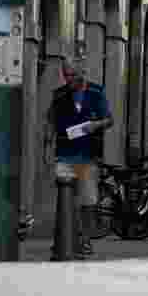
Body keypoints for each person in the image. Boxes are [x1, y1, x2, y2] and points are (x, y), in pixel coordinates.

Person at [47, 61, 113, 258]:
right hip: (64, 152)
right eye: (65, 75)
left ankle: (84, 240)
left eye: (71, 75)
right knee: (65, 197)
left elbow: (109, 120)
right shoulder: (59, 95)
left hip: (87, 154)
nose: (68, 80)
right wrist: (46, 145)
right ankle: (63, 239)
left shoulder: (96, 92)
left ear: (82, 73)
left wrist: (95, 125)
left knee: (87, 200)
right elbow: (50, 121)